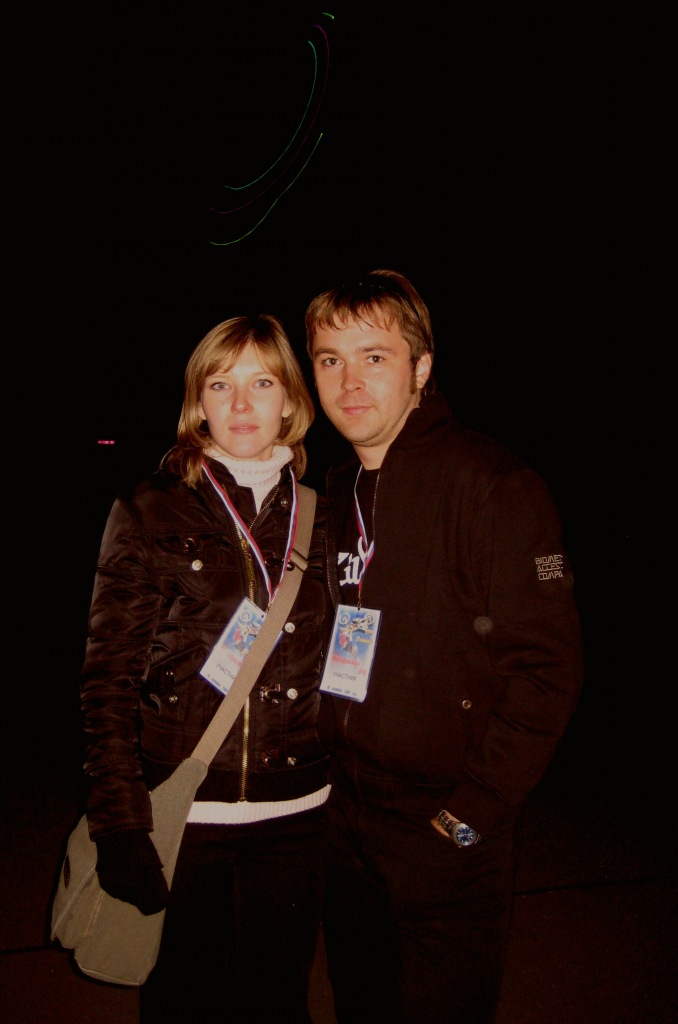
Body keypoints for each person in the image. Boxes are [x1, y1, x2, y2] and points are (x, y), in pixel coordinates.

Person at [304, 269, 585, 1024]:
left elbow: (549, 671)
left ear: (422, 368)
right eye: (330, 359)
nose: (350, 381)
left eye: (374, 357)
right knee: (362, 1004)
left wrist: (467, 819)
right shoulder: (336, 491)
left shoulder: (492, 484)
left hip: (444, 823)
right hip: (345, 818)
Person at [80, 314, 332, 1024]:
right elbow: (107, 681)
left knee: (277, 1004)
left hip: (299, 816)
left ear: (291, 401)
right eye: (221, 384)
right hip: (185, 815)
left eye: (263, 383)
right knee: (182, 1003)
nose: (242, 403)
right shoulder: (148, 510)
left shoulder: (327, 514)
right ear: (198, 403)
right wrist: (119, 822)